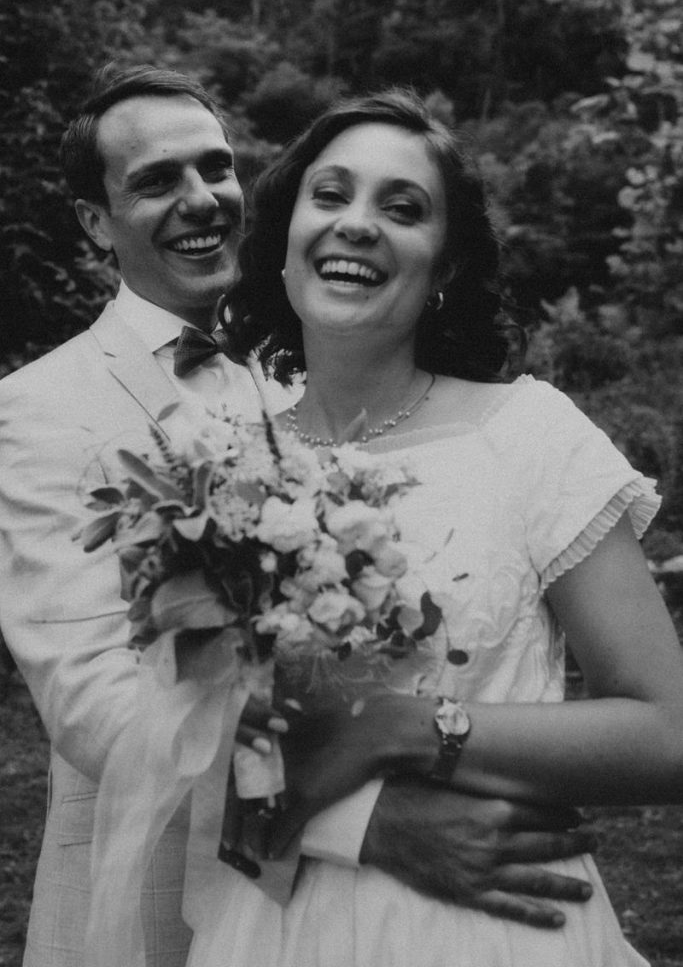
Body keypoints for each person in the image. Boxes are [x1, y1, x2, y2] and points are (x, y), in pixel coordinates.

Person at [0, 67, 594, 967]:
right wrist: (359, 819)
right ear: (93, 221)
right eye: (158, 181)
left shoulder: (322, 365)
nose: (200, 201)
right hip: (154, 912)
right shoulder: (40, 409)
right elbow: (96, 703)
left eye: (215, 168)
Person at [178, 88, 683, 967]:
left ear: (444, 267)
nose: (357, 224)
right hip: (271, 925)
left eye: (401, 208)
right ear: (285, 246)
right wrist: (354, 822)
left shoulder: (528, 434)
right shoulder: (214, 467)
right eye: (329, 196)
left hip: (492, 933)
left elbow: (669, 734)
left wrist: (404, 727)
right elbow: (170, 747)